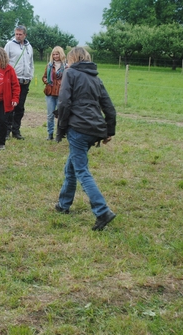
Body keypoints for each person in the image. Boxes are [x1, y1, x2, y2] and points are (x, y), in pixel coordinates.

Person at [55, 47, 117, 231]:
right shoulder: (96, 78)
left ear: (73, 58)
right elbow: (109, 107)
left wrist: (61, 128)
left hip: (79, 128)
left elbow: (64, 102)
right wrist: (109, 131)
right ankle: (63, 204)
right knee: (72, 166)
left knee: (81, 170)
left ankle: (102, 210)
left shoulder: (70, 73)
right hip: (93, 129)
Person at [4, 25, 34, 140]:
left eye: (20, 34)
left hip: (25, 81)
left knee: (20, 107)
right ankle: (6, 130)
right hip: (13, 80)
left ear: (25, 35)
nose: (18, 36)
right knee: (10, 106)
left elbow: (31, 63)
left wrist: (30, 76)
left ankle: (16, 130)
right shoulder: (9, 45)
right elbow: (4, 62)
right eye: (16, 34)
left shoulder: (29, 47)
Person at [42, 46, 67, 141]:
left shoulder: (66, 66)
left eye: (57, 54)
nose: (55, 56)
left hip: (61, 93)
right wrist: (46, 80)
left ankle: (59, 134)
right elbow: (44, 77)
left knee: (61, 115)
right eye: (54, 54)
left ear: (61, 54)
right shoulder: (49, 65)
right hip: (50, 93)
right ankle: (50, 134)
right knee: (50, 115)